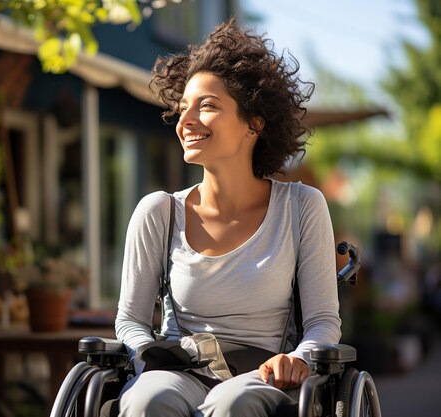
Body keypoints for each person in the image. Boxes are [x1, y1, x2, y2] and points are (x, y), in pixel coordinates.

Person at [114, 16, 341, 417]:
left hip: (262, 374)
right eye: (183, 108)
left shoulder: (301, 207)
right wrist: (147, 358)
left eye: (208, 106)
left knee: (233, 402)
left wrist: (299, 358)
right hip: (177, 369)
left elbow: (323, 321)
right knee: (149, 399)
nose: (186, 122)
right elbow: (130, 321)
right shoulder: (160, 212)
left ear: (254, 122)